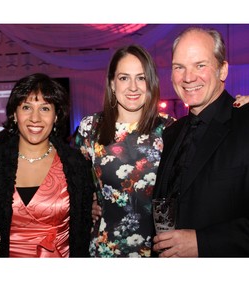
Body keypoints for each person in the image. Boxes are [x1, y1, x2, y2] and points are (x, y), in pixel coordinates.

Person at [152, 27, 249, 257]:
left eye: (200, 65)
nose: (188, 77)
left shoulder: (246, 123)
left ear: (223, 70)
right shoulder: (172, 132)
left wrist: (203, 243)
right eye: (179, 67)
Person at [74, 44, 176, 257]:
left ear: (151, 83)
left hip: (159, 250)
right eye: (124, 78)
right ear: (112, 83)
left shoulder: (170, 129)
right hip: (106, 248)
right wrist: (89, 202)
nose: (133, 87)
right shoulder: (90, 128)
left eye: (141, 78)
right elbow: (75, 184)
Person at [0, 73, 95, 257]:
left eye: (45, 109)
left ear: (56, 116)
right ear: (14, 115)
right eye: (26, 107)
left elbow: (84, 225)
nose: (35, 118)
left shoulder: (76, 165)